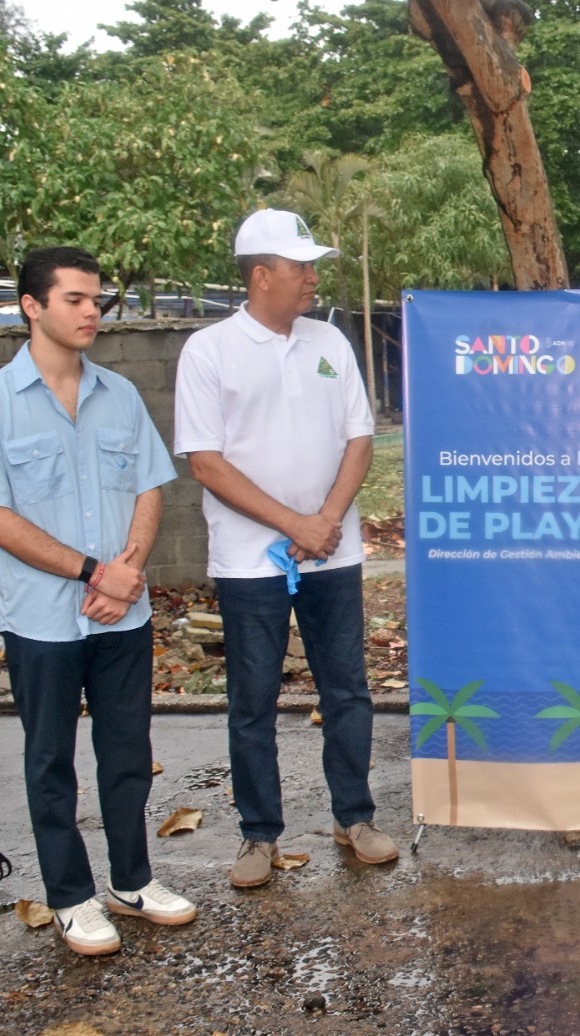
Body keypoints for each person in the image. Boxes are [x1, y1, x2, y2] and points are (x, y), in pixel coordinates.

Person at [0, 246, 194, 954]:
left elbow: (149, 486)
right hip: (43, 621)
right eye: (76, 299)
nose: (92, 311)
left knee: (127, 755)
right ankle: (69, 897)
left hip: (123, 614)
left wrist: (129, 570)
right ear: (32, 306)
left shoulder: (120, 394)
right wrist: (97, 572)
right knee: (50, 763)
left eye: (97, 300)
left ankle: (132, 882)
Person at [174, 209, 395, 889]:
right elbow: (205, 461)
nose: (312, 277)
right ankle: (259, 834)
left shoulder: (329, 340)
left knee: (347, 690)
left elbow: (360, 437)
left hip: (332, 552)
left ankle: (354, 817)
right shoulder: (209, 351)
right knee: (253, 701)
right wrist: (295, 524)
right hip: (250, 563)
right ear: (261, 276)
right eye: (300, 266)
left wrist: (325, 520)